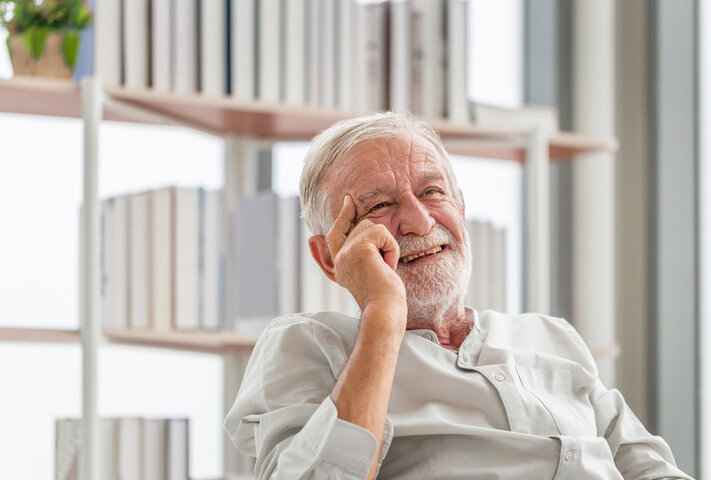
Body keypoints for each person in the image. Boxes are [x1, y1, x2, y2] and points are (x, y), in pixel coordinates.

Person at [224, 112, 692, 479]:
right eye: (380, 206)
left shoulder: (551, 336)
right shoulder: (307, 345)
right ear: (330, 257)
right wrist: (384, 312)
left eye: (432, 192)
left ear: (461, 210)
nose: (420, 221)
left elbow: (649, 468)